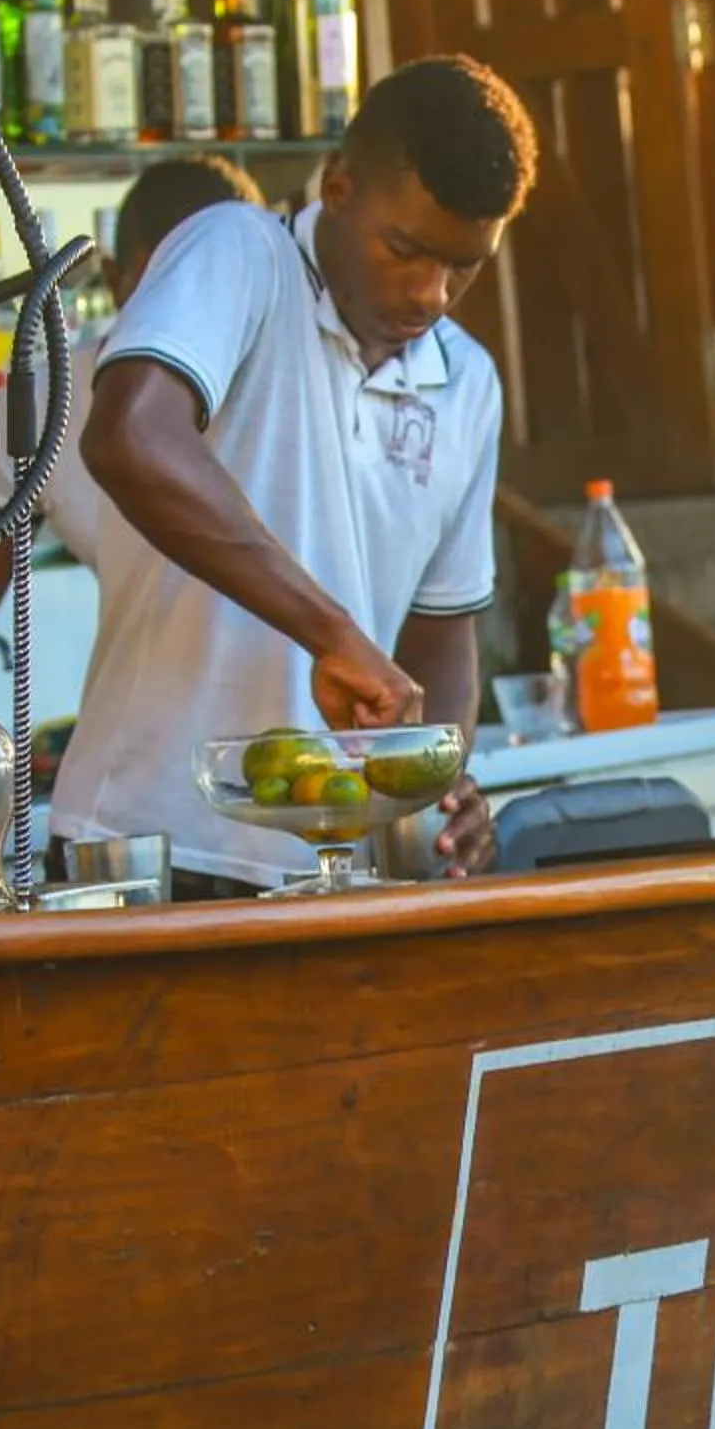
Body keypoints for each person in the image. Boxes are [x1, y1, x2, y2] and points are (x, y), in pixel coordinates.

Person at [76, 55, 537, 895]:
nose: (432, 294)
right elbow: (129, 437)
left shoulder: (468, 381)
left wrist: (435, 787)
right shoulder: (240, 252)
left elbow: (442, 633)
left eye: (464, 266)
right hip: (151, 850)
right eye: (406, 250)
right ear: (338, 186)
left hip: (338, 875)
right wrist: (333, 635)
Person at [0, 154, 265, 713]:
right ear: (114, 281)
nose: (198, 317)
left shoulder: (306, 387)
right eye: (172, 288)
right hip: (125, 756)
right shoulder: (47, 403)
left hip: (304, 752)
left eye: (225, 290)